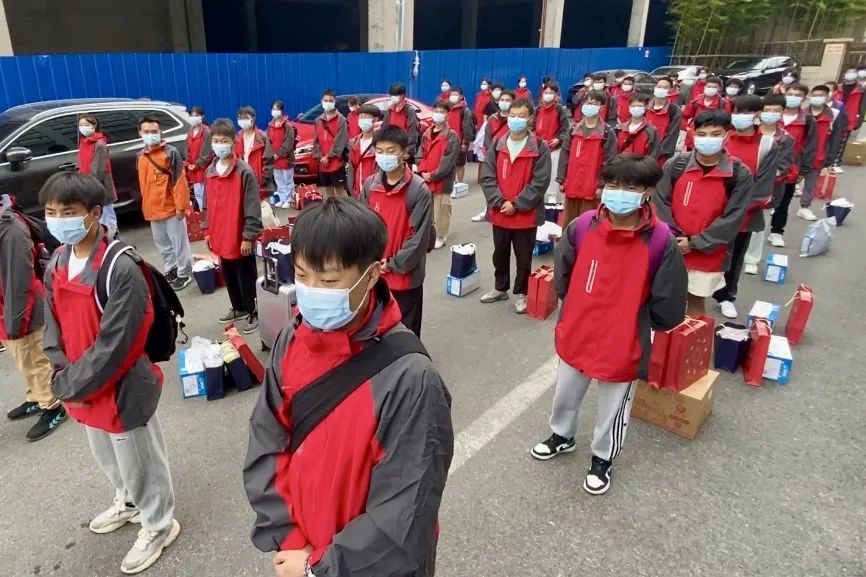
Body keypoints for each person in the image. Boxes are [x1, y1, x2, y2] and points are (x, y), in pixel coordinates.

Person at [243, 197, 453, 577]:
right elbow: (266, 438)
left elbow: (406, 511)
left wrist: (318, 568)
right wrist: (291, 540)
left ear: (371, 276)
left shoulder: (410, 378)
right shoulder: (292, 340)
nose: (311, 290)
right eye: (303, 275)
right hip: (300, 551)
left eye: (328, 281)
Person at [41, 172, 179, 575]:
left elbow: (118, 345)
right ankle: (130, 501)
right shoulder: (58, 261)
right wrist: (62, 372)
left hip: (119, 387)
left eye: (68, 212)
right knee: (108, 456)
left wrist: (71, 383)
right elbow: (53, 327)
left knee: (141, 461)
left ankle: (159, 523)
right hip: (80, 384)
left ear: (94, 213)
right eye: (51, 212)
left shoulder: (120, 267)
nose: (58, 220)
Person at [531, 153, 687, 495]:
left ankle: (603, 457)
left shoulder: (660, 240)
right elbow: (564, 274)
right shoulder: (582, 226)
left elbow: (669, 299)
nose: (619, 194)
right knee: (565, 392)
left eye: (630, 188)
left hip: (624, 335)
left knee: (614, 405)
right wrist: (576, 308)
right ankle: (562, 434)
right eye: (613, 185)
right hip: (579, 327)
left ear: (647, 192)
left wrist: (642, 324)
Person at [654, 110, 753, 317]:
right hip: (670, 247)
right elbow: (661, 202)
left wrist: (694, 243)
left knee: (695, 302)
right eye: (702, 134)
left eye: (715, 134)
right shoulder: (676, 165)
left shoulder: (738, 173)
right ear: (693, 134)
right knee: (661, 299)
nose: (708, 139)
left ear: (727, 135)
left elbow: (733, 217)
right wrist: (672, 237)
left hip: (707, 253)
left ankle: (692, 338)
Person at [712, 96, 788, 319]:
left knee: (734, 256)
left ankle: (726, 296)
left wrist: (734, 211)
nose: (740, 116)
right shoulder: (722, 138)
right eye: (737, 111)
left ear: (757, 115)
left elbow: (763, 185)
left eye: (746, 112)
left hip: (742, 214)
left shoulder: (767, 144)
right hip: (711, 208)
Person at [0, 197, 67, 441]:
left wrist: (16, 319)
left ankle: (52, 404)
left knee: (34, 357)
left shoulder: (10, 229)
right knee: (23, 359)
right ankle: (37, 396)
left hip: (20, 307)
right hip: (7, 306)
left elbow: (21, 280)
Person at [479, 97, 551, 314]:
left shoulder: (539, 147)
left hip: (525, 215)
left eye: (521, 116)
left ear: (530, 118)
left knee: (523, 257)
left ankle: (521, 292)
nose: (516, 120)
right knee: (499, 254)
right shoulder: (498, 144)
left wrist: (517, 205)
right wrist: (500, 202)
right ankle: (500, 288)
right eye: (512, 115)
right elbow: (488, 177)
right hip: (500, 212)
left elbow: (540, 182)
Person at [360, 126, 433, 337]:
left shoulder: (418, 190)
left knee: (406, 331)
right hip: (375, 273)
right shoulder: (369, 185)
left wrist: (392, 263)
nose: (385, 156)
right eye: (380, 151)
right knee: (376, 326)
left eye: (391, 151)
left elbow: (419, 238)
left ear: (404, 152)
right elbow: (361, 226)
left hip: (404, 277)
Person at [205, 118, 264, 334]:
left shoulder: (244, 172)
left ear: (233, 142)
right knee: (229, 274)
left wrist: (248, 236)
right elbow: (208, 205)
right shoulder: (210, 171)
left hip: (239, 235)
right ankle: (238, 306)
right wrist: (208, 231)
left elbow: (252, 207)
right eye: (216, 141)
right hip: (220, 234)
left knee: (245, 274)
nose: (219, 145)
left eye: (224, 141)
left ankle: (252, 310)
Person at [136, 116, 193, 291]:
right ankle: (171, 269)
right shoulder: (140, 156)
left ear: (160, 132)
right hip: (152, 209)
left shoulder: (170, 153)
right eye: (146, 132)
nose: (150, 135)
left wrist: (181, 207)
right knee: (163, 245)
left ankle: (184, 273)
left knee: (179, 244)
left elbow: (179, 182)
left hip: (171, 208)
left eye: (154, 131)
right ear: (140, 133)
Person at [557, 91, 618, 228]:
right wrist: (561, 179)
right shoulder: (574, 129)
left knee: (589, 224)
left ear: (601, 107)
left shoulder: (607, 132)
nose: (590, 106)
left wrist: (602, 185)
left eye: (594, 103)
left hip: (592, 188)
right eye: (587, 102)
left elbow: (610, 161)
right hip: (572, 184)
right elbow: (565, 154)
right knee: (569, 224)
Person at [768, 84, 817, 247]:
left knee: (783, 203)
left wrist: (804, 169)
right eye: (790, 94)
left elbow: (810, 146)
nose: (793, 97)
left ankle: (776, 232)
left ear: (804, 98)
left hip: (790, 169)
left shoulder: (807, 120)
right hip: (765, 166)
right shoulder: (773, 115)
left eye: (797, 95)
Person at [797, 85, 847, 220]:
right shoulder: (802, 113)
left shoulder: (833, 114)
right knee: (788, 183)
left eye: (821, 95)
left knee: (811, 183)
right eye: (814, 95)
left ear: (827, 97)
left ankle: (804, 207)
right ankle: (779, 207)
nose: (817, 98)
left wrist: (831, 156)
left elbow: (836, 136)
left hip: (818, 154)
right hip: (800, 153)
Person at [417, 100, 460, 249]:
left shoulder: (451, 136)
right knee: (427, 209)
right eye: (436, 111)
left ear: (447, 114)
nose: (438, 114)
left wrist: (433, 175)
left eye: (442, 112)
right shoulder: (427, 133)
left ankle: (441, 236)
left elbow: (449, 160)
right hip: (426, 179)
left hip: (441, 180)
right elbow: (420, 154)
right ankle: (429, 234)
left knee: (442, 210)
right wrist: (422, 171)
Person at [470, 89, 514, 224]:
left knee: (507, 185)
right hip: (493, 158)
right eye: (502, 100)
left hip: (510, 157)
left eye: (508, 100)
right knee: (490, 184)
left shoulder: (515, 120)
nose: (504, 102)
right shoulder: (492, 119)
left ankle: (506, 209)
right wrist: (492, 156)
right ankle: (488, 212)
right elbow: (487, 139)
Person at [77, 115, 118, 230]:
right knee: (96, 219)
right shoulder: (84, 143)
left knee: (107, 219)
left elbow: (98, 171)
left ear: (94, 126)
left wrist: (88, 185)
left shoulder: (99, 144)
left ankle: (112, 238)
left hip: (99, 187)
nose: (83, 128)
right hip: (87, 186)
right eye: (81, 125)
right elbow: (80, 163)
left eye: (86, 125)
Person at [535, 81, 570, 201]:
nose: (548, 95)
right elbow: (532, 127)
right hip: (538, 146)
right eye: (546, 92)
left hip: (554, 147)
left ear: (556, 95)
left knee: (553, 172)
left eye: (551, 93)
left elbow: (565, 129)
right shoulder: (538, 109)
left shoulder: (559, 110)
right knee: (538, 172)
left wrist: (558, 139)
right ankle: (538, 194)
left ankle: (551, 195)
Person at [234, 106, 275, 201]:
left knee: (260, 206)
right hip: (243, 178)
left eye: (246, 118)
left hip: (259, 181)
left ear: (253, 119)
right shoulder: (238, 137)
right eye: (240, 118)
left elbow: (269, 159)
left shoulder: (261, 136)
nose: (243, 120)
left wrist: (264, 178)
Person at [312, 89, 349, 198]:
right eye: (325, 100)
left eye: (330, 100)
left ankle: (342, 209)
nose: (327, 103)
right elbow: (315, 141)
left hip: (336, 163)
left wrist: (328, 156)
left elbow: (340, 141)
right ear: (321, 101)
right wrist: (320, 156)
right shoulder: (318, 120)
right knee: (327, 191)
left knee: (339, 191)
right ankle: (331, 208)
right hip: (323, 164)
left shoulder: (341, 120)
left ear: (334, 101)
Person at [645, 77, 683, 165]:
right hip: (643, 152)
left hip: (662, 155)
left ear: (671, 90)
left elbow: (672, 135)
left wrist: (657, 153)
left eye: (665, 87)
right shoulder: (645, 107)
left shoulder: (674, 110)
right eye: (659, 87)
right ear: (655, 87)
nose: (661, 89)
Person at [346, 104, 381, 198]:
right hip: (357, 192)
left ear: (375, 120)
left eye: (366, 117)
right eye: (361, 117)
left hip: (374, 191)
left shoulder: (381, 143)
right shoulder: (353, 143)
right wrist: (351, 189)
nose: (363, 119)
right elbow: (351, 169)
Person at [267, 100, 297, 209]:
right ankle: (282, 198)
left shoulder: (287, 126)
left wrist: (278, 154)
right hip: (275, 159)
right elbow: (268, 141)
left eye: (277, 109)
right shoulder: (270, 126)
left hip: (286, 158)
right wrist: (271, 154)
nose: (275, 111)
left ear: (282, 111)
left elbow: (288, 143)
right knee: (279, 180)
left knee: (287, 180)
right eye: (273, 109)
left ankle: (289, 199)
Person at [446, 86, 475, 185]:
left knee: (459, 164)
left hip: (460, 141)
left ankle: (460, 183)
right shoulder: (447, 108)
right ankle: (451, 183)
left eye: (455, 94)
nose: (453, 96)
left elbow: (467, 128)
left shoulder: (465, 110)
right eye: (451, 94)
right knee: (450, 163)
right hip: (448, 140)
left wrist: (465, 143)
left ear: (461, 96)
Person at [184, 106, 212, 213]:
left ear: (202, 117)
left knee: (206, 195)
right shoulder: (190, 131)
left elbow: (207, 152)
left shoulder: (206, 131)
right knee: (198, 195)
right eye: (192, 115)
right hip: (193, 170)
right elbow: (187, 149)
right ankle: (203, 215)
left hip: (203, 169)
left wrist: (198, 164)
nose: (194, 118)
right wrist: (188, 163)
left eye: (196, 115)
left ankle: (208, 215)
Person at [383, 82, 420, 157]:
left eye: (395, 95)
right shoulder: (390, 110)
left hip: (403, 149)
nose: (393, 97)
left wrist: (409, 150)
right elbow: (384, 127)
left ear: (402, 95)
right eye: (392, 95)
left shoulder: (409, 110)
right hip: (391, 147)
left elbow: (412, 131)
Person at [617, 93, 660, 158]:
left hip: (642, 163)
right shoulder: (620, 128)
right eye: (633, 106)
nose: (636, 108)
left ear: (646, 107)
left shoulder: (651, 130)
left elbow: (654, 153)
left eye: (639, 106)